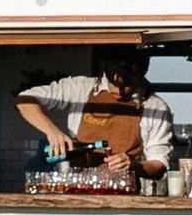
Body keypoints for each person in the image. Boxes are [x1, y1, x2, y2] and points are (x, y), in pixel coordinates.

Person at [16, 62, 174, 183]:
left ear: (140, 76)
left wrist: (134, 166)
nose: (119, 92)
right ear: (106, 72)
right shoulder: (80, 88)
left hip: (124, 198)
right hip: (77, 191)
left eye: (126, 85)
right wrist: (52, 131)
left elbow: (159, 166)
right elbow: (25, 100)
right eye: (114, 83)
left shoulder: (156, 107)